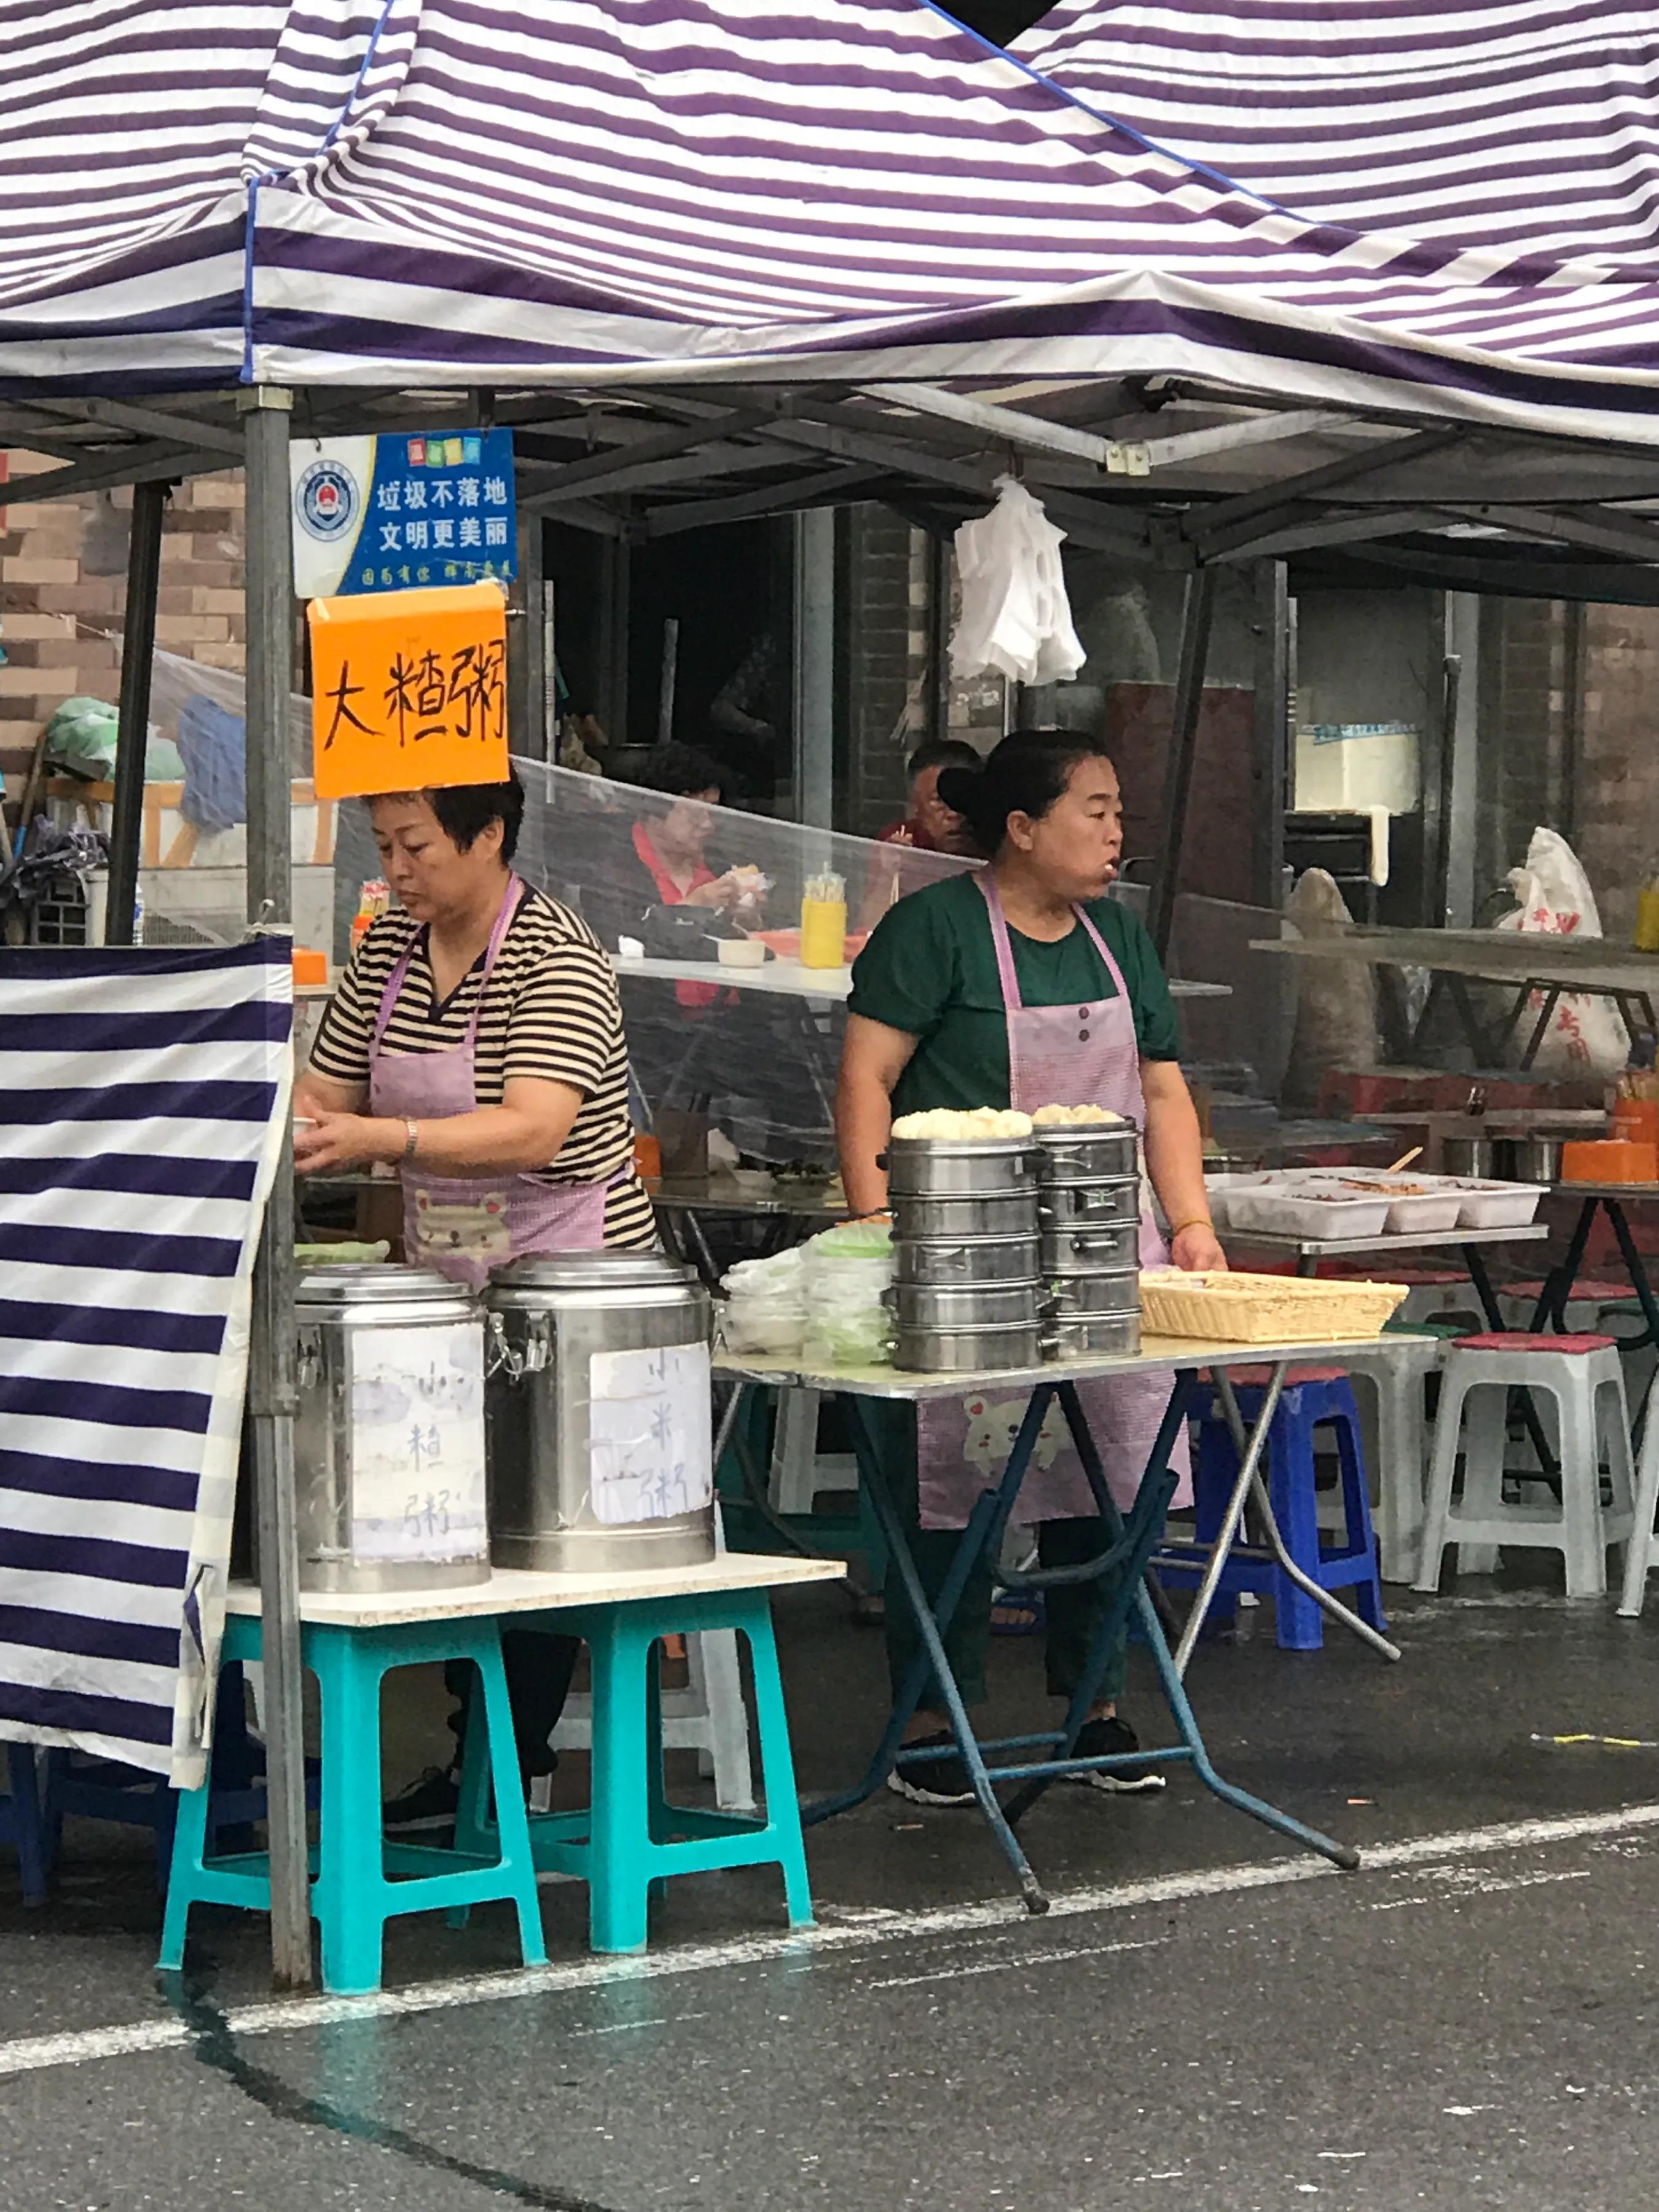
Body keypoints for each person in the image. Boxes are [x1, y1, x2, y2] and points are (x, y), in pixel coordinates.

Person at [836, 730, 1226, 1806]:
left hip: (1103, 1251)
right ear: (1021, 828)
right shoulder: (935, 932)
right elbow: (868, 1078)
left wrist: (1188, 1223)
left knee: (1110, 1472)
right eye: (1093, 810)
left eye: (1117, 811)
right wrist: (875, 1224)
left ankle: (1097, 1706)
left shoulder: (1118, 940)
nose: (1114, 832)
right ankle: (931, 1717)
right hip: (961, 1252)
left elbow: (1161, 1092)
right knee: (950, 1487)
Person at [294, 772, 656, 1827]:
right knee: (448, 1513)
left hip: (571, 1285)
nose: (395, 870)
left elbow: (533, 1128)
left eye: (414, 846)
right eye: (384, 845)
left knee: (536, 1525)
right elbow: (330, 1093)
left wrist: (376, 1142)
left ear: (488, 834)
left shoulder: (556, 957)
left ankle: (510, 1763)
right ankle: (474, 1754)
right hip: (442, 1289)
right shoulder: (388, 954)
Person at [876, 737, 982, 853]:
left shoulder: (998, 844)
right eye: (939, 800)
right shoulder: (897, 842)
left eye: (963, 797)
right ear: (915, 803)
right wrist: (890, 869)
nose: (954, 813)